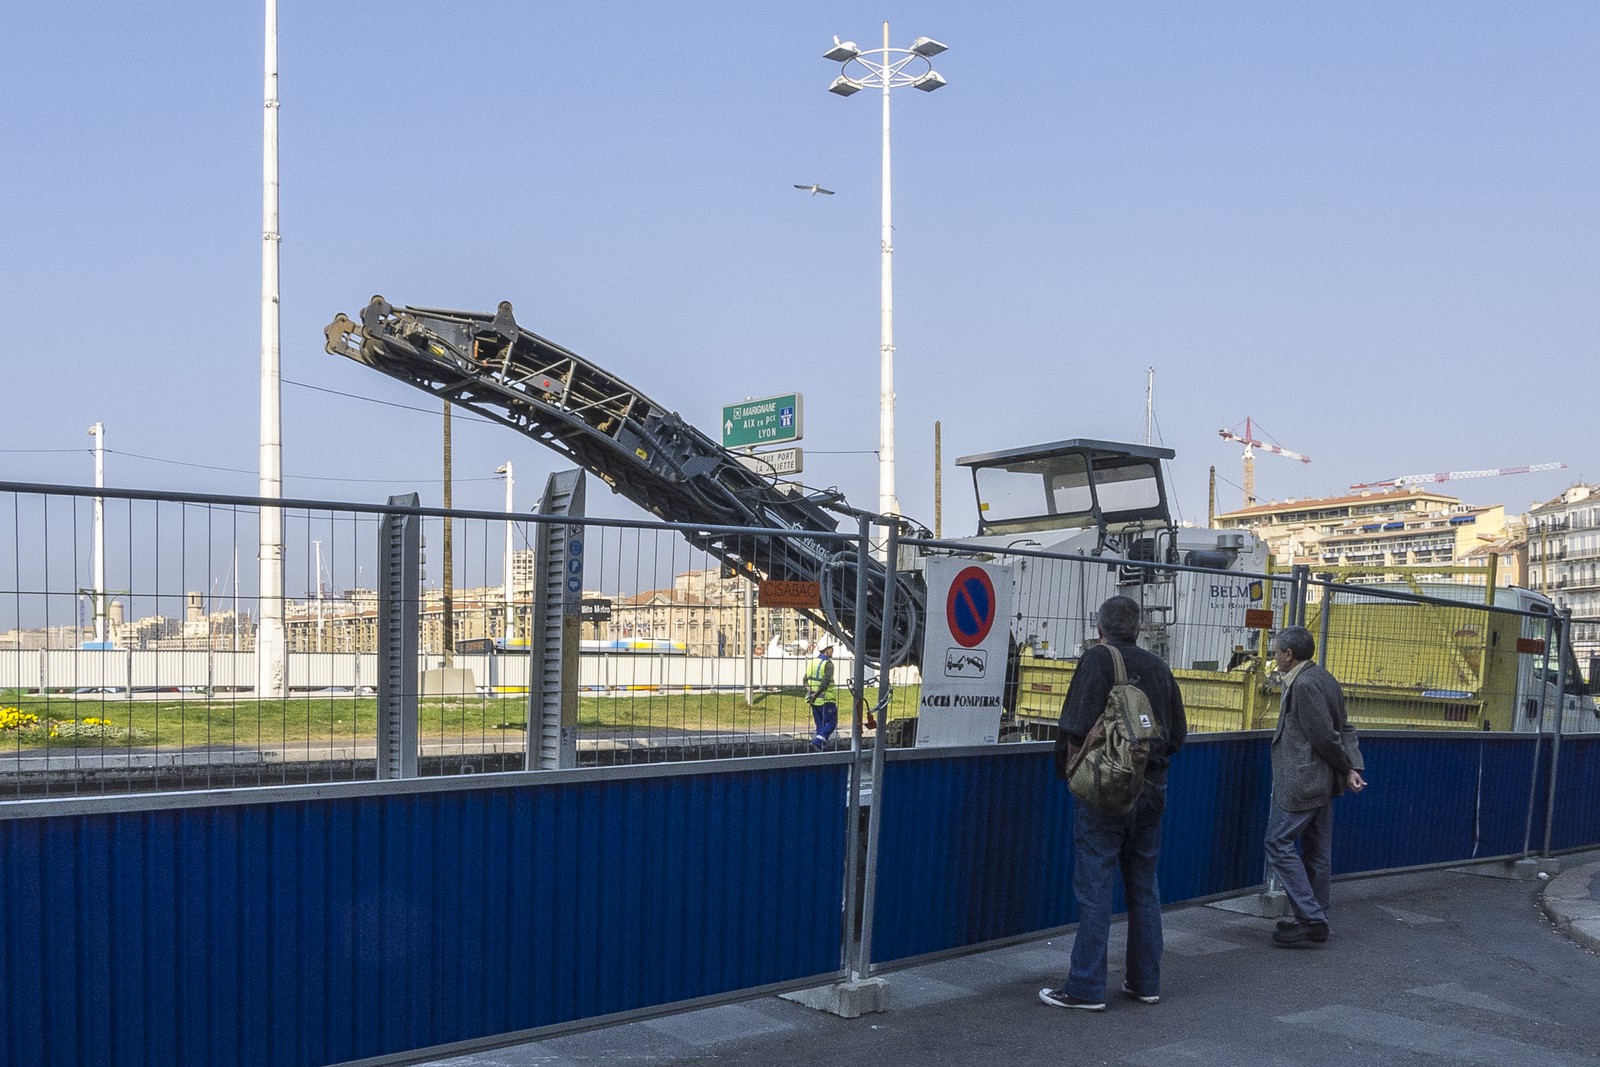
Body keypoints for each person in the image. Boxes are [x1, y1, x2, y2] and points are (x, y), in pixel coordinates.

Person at [1039, 595, 1186, 1012]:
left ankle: (1086, 987)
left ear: (1099, 627)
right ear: (1138, 628)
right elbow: (1177, 735)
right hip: (1152, 789)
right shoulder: (1159, 667)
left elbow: (1073, 725)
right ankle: (1145, 982)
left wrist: (1069, 772)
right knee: (1144, 887)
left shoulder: (1097, 660)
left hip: (1105, 791)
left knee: (1095, 887)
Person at [1264, 625, 1366, 947]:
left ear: (1289, 654)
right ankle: (1316, 917)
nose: (1274, 656)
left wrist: (1347, 767)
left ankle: (1310, 918)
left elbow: (1324, 737)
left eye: (1276, 651)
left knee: (1277, 842)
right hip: (1323, 781)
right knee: (1318, 851)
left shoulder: (1304, 685)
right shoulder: (1324, 677)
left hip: (1303, 779)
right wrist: (1352, 766)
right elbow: (1344, 728)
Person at [805, 644, 838, 749]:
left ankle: (821, 746)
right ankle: (817, 742)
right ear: (826, 650)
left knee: (820, 724)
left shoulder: (812, 662)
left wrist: (810, 691)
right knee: (832, 723)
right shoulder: (828, 664)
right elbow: (825, 682)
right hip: (826, 699)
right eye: (831, 649)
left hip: (814, 701)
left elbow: (805, 680)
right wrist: (816, 693)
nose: (833, 651)